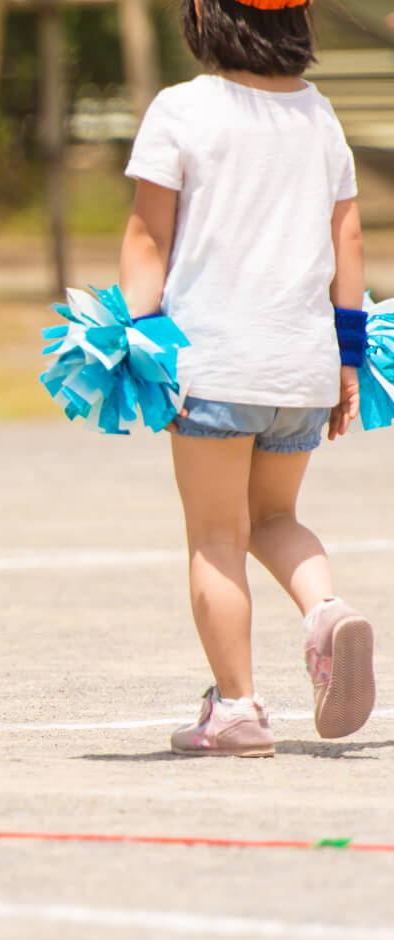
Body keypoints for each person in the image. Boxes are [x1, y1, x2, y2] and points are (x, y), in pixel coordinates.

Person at [122, 0, 372, 755]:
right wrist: (351, 358)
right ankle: (325, 610)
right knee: (273, 518)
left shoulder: (181, 109)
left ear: (201, 14)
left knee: (217, 535)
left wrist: (133, 342)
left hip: (214, 364)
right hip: (301, 366)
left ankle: (236, 708)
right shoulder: (317, 114)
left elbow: (146, 235)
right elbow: (349, 236)